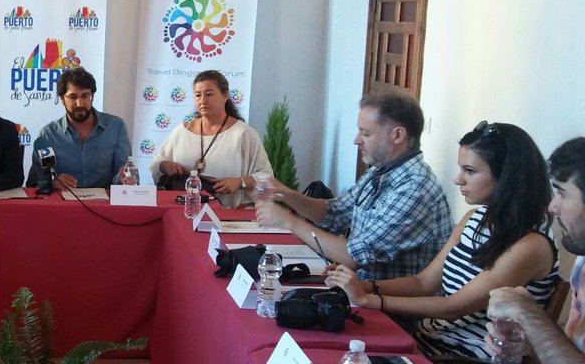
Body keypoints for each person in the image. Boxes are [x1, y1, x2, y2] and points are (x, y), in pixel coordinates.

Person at [326, 122, 558, 364]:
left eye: (470, 171)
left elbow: (453, 307)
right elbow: (423, 282)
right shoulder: (474, 219)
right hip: (427, 347)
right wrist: (360, 285)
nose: (458, 179)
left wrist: (368, 299)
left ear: (506, 177)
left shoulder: (530, 245)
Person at [256, 90, 452, 280]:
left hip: (390, 301)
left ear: (397, 135)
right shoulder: (380, 170)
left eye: (366, 134)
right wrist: (286, 194)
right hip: (361, 288)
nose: (356, 140)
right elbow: (334, 212)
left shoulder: (414, 188)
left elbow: (353, 257)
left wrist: (289, 221)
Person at [485, 138, 585, 364]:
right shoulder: (582, 261)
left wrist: (529, 314)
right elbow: (574, 357)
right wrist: (531, 343)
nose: (553, 206)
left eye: (562, 193)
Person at [150, 69, 271, 208]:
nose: (203, 101)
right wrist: (164, 165)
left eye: (209, 94)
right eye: (198, 95)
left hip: (227, 214)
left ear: (225, 95)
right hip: (183, 212)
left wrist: (240, 182)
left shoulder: (243, 134)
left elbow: (267, 177)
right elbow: (156, 162)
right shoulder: (182, 131)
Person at [26, 66, 132, 192]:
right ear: (62, 99)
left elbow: (125, 172)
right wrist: (53, 183)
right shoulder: (49, 134)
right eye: (73, 97)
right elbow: (35, 182)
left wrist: (125, 178)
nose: (79, 103)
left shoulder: (116, 127)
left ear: (92, 96)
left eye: (85, 96)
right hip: (64, 202)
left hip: (105, 203)